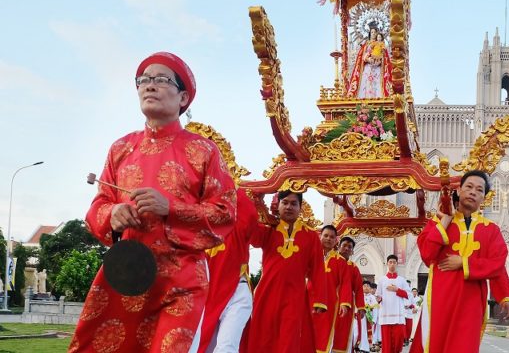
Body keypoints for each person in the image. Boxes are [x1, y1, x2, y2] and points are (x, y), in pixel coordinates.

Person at [70, 52, 237, 353]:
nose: (150, 86)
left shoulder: (204, 151)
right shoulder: (121, 148)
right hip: (126, 276)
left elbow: (225, 213)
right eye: (143, 81)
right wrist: (114, 213)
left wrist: (170, 209)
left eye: (161, 80)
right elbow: (97, 208)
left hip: (180, 283)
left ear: (183, 97)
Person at [410, 170, 509, 353]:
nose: (473, 192)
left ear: (484, 197)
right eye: (469, 186)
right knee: (434, 342)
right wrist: (444, 222)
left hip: (472, 300)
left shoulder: (491, 230)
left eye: (479, 190)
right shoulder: (438, 221)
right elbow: (427, 255)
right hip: (440, 296)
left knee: (464, 345)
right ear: (459, 190)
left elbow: (497, 264)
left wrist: (504, 296)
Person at [242, 191, 328, 353]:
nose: (289, 207)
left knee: (289, 337)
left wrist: (319, 300)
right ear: (278, 205)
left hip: (295, 295)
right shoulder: (268, 230)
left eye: (294, 203)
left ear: (300, 207)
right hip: (267, 293)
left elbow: (317, 269)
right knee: (264, 336)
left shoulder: (311, 236)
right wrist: (259, 209)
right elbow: (252, 235)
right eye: (285, 202)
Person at [197, 189, 260, 353]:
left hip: (236, 290)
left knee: (227, 347)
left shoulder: (237, 225)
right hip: (205, 293)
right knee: (199, 344)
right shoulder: (198, 226)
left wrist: (232, 188)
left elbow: (251, 217)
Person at [311, 225, 352, 353]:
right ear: (320, 237)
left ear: (336, 241)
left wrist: (345, 303)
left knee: (324, 335)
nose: (328, 239)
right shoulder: (311, 256)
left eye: (332, 237)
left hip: (329, 304)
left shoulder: (340, 261)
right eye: (326, 236)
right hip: (308, 300)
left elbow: (346, 283)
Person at [332, 237, 365, 353]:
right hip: (330, 302)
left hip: (346, 304)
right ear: (338, 246)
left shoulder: (353, 267)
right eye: (344, 245)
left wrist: (361, 307)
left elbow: (359, 288)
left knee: (343, 333)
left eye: (349, 247)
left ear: (352, 251)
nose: (346, 248)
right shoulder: (331, 260)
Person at [346, 22, 393, 99]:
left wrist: (380, 60)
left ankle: (379, 99)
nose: (373, 34)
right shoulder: (366, 44)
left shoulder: (381, 44)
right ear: (370, 33)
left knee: (377, 84)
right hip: (368, 67)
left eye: (375, 32)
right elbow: (361, 57)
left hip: (378, 68)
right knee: (367, 83)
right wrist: (367, 59)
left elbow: (385, 57)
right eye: (372, 32)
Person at [375, 255, 411, 353]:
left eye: (394, 262)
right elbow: (378, 296)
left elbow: (409, 295)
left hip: (398, 316)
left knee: (398, 341)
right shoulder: (382, 280)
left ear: (397, 264)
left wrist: (397, 290)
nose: (392, 264)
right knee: (386, 344)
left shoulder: (402, 280)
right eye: (390, 262)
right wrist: (378, 298)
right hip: (385, 315)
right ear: (387, 263)